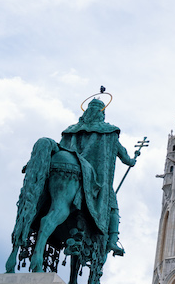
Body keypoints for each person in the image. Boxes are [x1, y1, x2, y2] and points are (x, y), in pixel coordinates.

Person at [58, 98, 136, 255]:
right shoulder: (109, 131)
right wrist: (133, 160)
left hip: (70, 170)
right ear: (102, 113)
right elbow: (126, 159)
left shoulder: (72, 130)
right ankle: (113, 241)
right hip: (96, 179)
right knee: (112, 206)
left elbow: (61, 150)